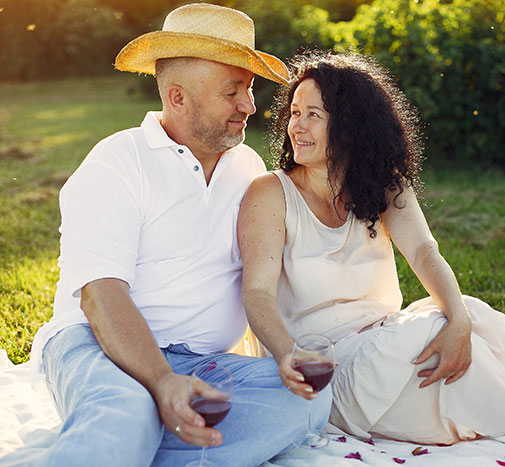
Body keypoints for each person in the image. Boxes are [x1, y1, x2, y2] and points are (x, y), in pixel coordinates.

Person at [29, 4, 331, 466]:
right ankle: (135, 426)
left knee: (306, 400)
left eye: (249, 90)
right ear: (178, 97)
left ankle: (137, 443)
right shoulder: (119, 161)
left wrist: (285, 353)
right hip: (99, 342)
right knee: (127, 409)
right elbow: (100, 295)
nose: (250, 105)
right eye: (234, 91)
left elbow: (260, 280)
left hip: (201, 362)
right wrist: (160, 381)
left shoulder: (248, 170)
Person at [238, 51, 505, 445]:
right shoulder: (271, 193)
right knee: (442, 351)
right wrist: (289, 355)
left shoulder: (382, 184)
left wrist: (458, 320)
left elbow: (424, 250)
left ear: (351, 126)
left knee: (467, 315)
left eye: (313, 115)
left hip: (385, 344)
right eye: (294, 112)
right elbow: (256, 292)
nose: (296, 127)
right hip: (323, 371)